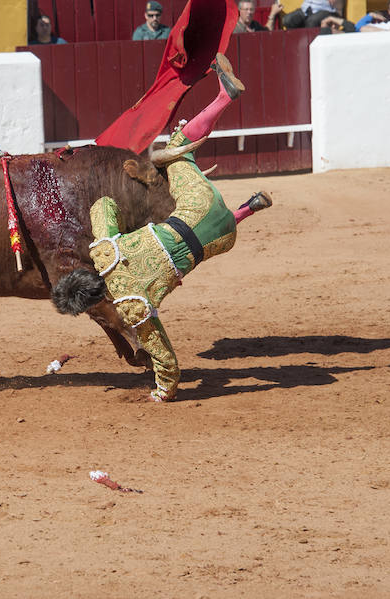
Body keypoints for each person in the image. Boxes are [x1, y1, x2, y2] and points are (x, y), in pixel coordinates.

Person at [52, 54, 272, 403]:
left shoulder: (131, 306)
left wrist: (164, 391)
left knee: (211, 238)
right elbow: (103, 205)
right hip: (198, 203)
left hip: (223, 237)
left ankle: (248, 208)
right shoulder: (104, 249)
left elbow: (164, 355)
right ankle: (223, 97)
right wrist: (111, 235)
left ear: (92, 303)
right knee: (176, 147)